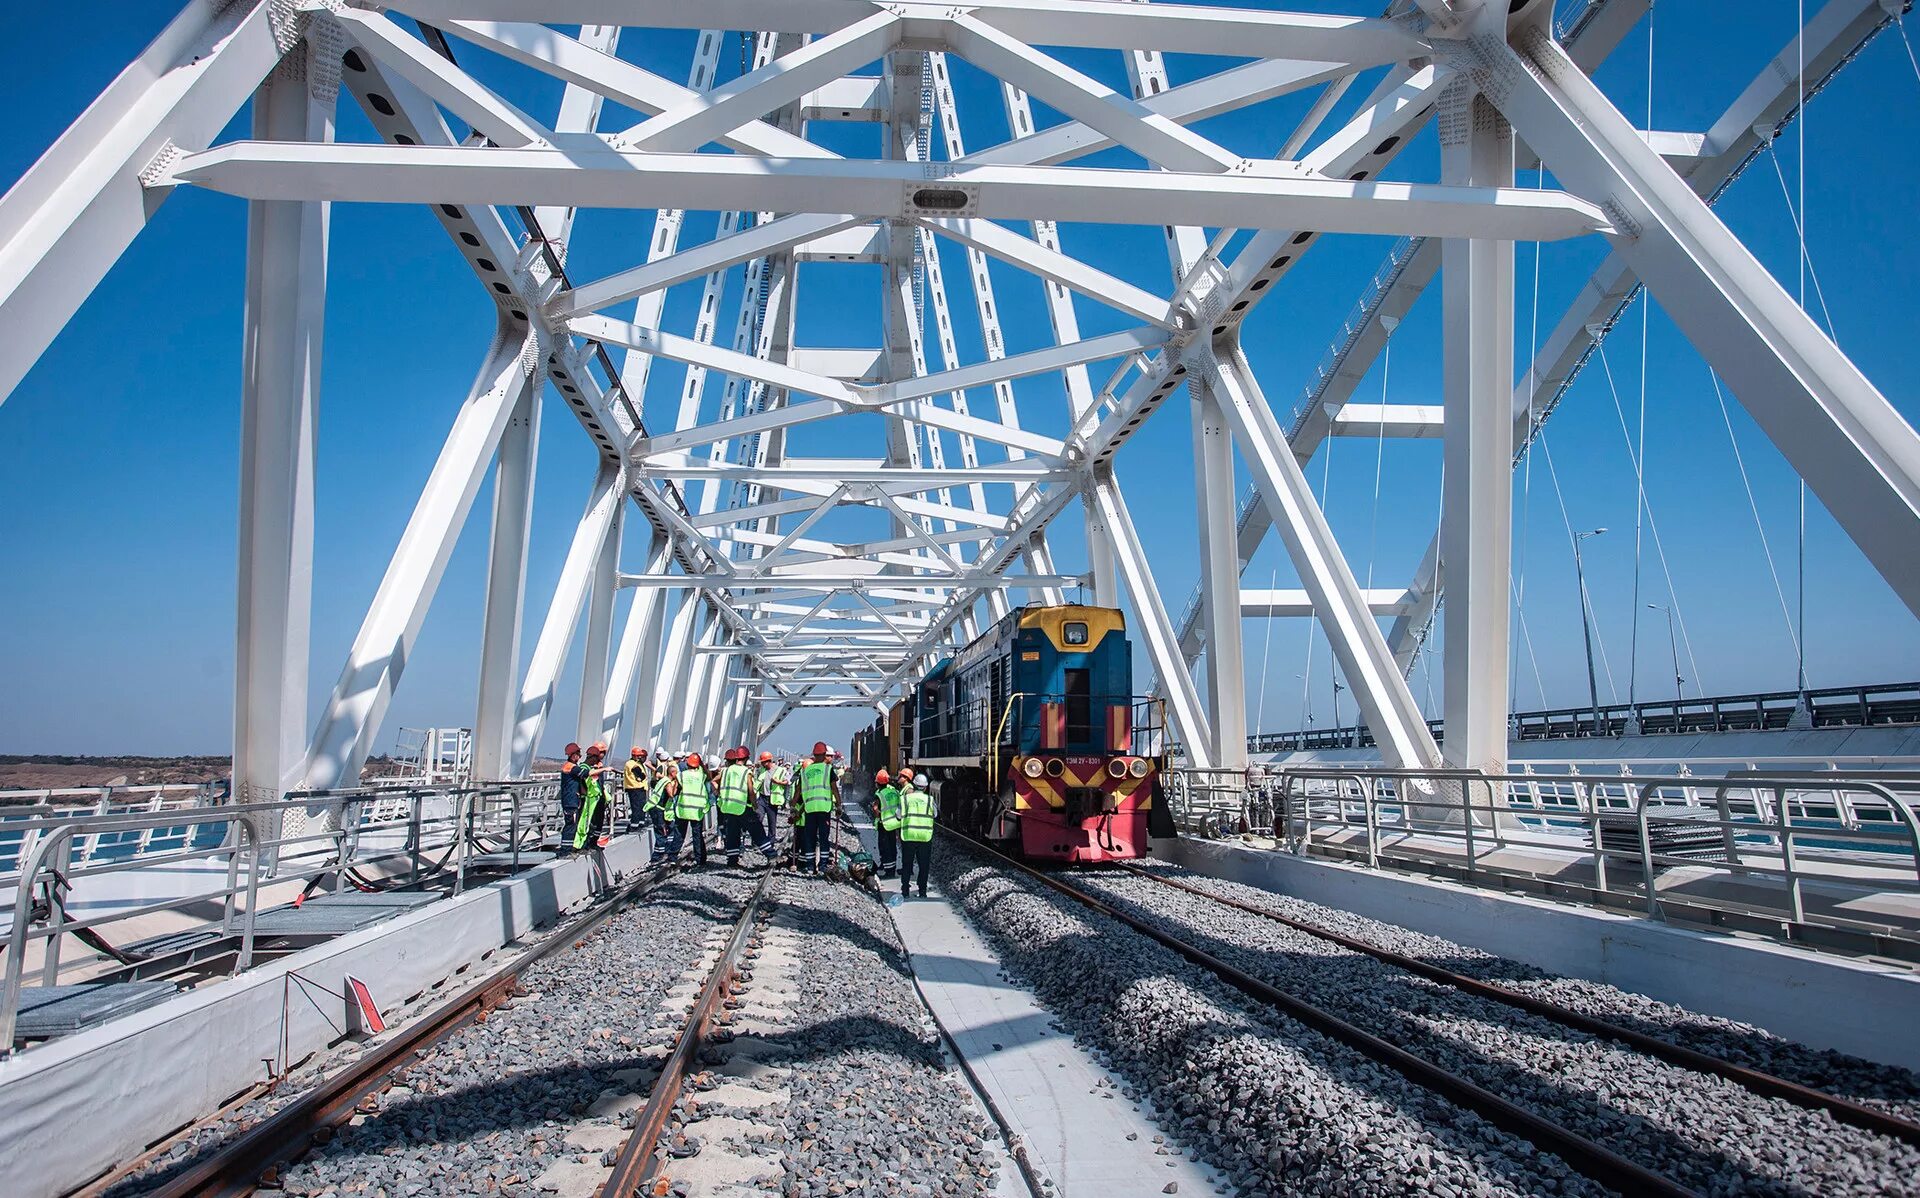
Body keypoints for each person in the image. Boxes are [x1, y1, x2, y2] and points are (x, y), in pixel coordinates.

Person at [794, 742, 839, 874]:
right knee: (824, 838)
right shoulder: (828, 769)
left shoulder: (805, 770)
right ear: (825, 755)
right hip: (824, 809)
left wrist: (793, 806)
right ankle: (823, 865)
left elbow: (798, 791)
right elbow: (834, 789)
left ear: (814, 755)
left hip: (809, 809)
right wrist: (839, 805)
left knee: (810, 838)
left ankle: (810, 866)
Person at [665, 752, 710, 867]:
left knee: (679, 833)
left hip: (683, 809)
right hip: (696, 810)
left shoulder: (682, 775)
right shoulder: (701, 776)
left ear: (687, 764)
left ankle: (672, 857)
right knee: (697, 835)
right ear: (698, 765)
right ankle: (700, 860)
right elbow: (709, 777)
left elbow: (675, 792)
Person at [717, 747, 757, 867]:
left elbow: (714, 781)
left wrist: (718, 793)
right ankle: (771, 854)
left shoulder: (725, 771)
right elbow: (751, 791)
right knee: (756, 831)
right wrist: (755, 805)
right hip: (741, 807)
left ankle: (732, 860)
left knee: (732, 834)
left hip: (727, 807)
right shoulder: (745, 772)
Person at [898, 770, 935, 899]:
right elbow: (935, 814)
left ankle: (905, 891)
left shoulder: (905, 799)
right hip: (925, 837)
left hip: (909, 836)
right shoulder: (930, 800)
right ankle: (923, 891)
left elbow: (898, 815)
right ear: (925, 787)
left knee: (907, 864)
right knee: (924, 865)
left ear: (913, 785)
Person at [573, 743, 612, 850]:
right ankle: (584, 844)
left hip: (598, 799)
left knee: (598, 822)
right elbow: (587, 777)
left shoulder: (597, 766)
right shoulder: (585, 767)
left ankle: (593, 842)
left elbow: (599, 784)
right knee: (587, 822)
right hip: (589, 800)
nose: (603, 755)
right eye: (602, 753)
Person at [644, 750, 676, 862]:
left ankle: (666, 852)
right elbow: (671, 794)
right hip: (657, 809)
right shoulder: (667, 782)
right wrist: (677, 785)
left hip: (658, 808)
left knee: (669, 828)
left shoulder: (664, 779)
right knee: (661, 831)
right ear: (672, 773)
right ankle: (657, 857)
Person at [556, 742, 587, 852]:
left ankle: (572, 847)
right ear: (573, 755)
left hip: (573, 800)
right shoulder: (571, 767)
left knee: (574, 824)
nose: (580, 756)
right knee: (571, 825)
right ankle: (566, 850)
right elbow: (585, 773)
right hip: (570, 801)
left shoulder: (572, 766)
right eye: (579, 753)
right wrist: (602, 769)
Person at [872, 768, 901, 879]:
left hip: (884, 824)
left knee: (884, 847)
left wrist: (878, 816)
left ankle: (888, 872)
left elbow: (875, 809)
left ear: (878, 783)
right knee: (892, 847)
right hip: (894, 823)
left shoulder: (879, 794)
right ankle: (891, 868)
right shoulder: (894, 791)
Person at [755, 751, 786, 852]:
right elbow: (757, 784)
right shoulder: (762, 771)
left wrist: (778, 782)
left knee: (772, 823)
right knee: (758, 818)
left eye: (763, 762)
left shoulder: (780, 770)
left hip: (773, 800)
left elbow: (787, 782)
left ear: (768, 761)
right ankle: (758, 841)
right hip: (762, 798)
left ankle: (771, 842)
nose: (762, 764)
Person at [623, 748, 650, 833]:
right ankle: (633, 827)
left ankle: (640, 824)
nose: (641, 758)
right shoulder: (631, 764)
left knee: (642, 807)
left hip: (640, 788)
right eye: (639, 756)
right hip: (634, 788)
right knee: (637, 808)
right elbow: (640, 774)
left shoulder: (637, 763)